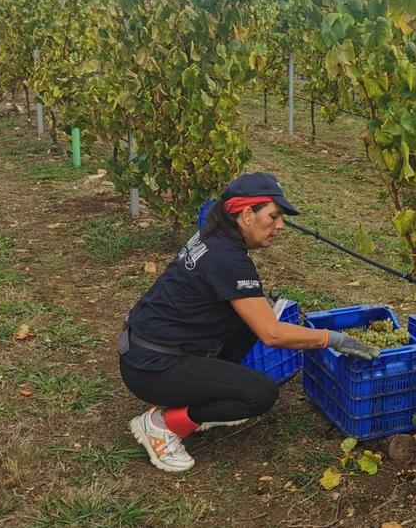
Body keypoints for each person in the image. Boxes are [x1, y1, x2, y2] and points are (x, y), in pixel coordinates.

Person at [118, 172, 379, 473]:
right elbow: (272, 334)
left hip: (146, 349)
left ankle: (201, 390)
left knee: (248, 320)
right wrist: (333, 339)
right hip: (151, 366)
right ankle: (162, 424)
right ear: (246, 215)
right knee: (259, 394)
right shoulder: (228, 259)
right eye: (274, 216)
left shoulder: (214, 235)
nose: (280, 226)